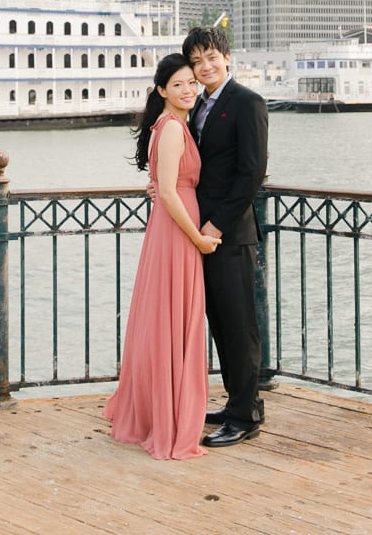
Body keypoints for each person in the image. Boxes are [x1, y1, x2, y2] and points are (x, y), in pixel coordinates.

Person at [104, 53, 221, 459]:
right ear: (161, 91)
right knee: (175, 319)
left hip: (171, 227)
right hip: (177, 231)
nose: (188, 89)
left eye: (192, 82)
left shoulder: (171, 127)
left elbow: (163, 185)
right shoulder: (171, 129)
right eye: (178, 85)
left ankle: (160, 408)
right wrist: (199, 240)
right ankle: (169, 418)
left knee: (168, 318)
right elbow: (170, 192)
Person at [184, 24, 269, 447]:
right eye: (196, 61)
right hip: (202, 231)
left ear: (227, 57)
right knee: (218, 321)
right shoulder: (198, 106)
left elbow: (251, 171)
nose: (204, 66)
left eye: (211, 58)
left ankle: (247, 415)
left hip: (229, 233)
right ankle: (237, 399)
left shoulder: (247, 102)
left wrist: (217, 224)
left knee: (240, 325)